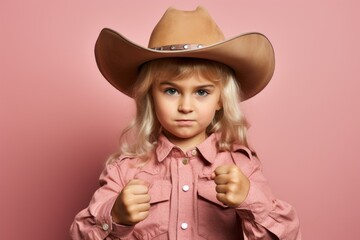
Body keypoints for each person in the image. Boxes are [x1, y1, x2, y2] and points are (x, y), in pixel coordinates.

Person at [70, 6, 301, 240]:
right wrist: (115, 216)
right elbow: (80, 235)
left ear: (220, 99)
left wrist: (250, 199)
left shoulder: (241, 166)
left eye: (202, 92)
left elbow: (289, 235)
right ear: (150, 95)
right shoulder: (125, 170)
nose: (186, 106)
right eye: (171, 90)